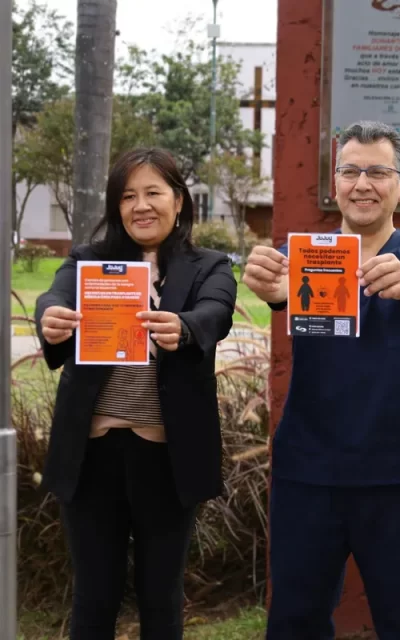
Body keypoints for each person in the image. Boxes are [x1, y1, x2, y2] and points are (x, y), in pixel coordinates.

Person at [242, 121, 400, 639]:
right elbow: (278, 294)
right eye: (350, 171)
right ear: (334, 183)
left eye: (379, 172)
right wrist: (267, 282)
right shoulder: (307, 259)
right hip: (309, 470)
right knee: (294, 621)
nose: (363, 183)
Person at [35, 148, 238, 640]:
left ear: (179, 200)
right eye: (128, 196)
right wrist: (52, 318)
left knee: (161, 596)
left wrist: (185, 327)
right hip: (92, 456)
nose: (141, 205)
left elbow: (217, 311)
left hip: (167, 460)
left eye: (153, 192)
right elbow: (55, 296)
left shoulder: (209, 265)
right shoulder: (89, 260)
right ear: (116, 206)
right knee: (93, 596)